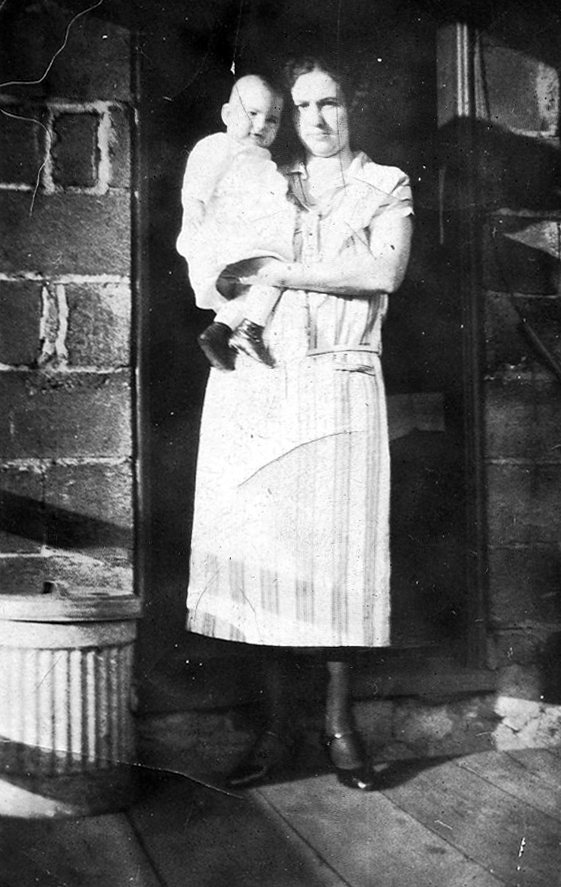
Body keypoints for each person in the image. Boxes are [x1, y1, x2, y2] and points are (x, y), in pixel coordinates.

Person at [185, 56, 414, 790]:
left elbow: (382, 273)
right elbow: (211, 251)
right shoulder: (264, 176)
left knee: (342, 554)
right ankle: (277, 728)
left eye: (331, 103)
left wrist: (281, 274)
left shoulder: (385, 185)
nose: (317, 119)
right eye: (305, 106)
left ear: (353, 109)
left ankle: (339, 726)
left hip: (341, 380)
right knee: (267, 555)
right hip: (261, 379)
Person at [176, 74, 295, 369]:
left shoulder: (262, 160)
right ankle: (250, 328)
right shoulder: (220, 146)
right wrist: (194, 208)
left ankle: (221, 329)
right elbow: (197, 180)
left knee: (258, 289)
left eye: (272, 120)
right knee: (276, 273)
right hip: (226, 241)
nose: (261, 125)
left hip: (247, 243)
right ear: (227, 114)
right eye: (252, 113)